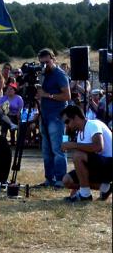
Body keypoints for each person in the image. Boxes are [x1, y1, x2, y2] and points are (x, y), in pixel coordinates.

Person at [33, 48, 72, 189]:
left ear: (54, 59)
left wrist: (47, 95)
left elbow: (67, 96)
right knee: (46, 151)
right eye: (42, 63)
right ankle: (49, 179)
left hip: (57, 117)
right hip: (45, 116)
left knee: (58, 149)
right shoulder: (43, 75)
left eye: (47, 62)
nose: (44, 65)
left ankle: (61, 179)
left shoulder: (59, 74)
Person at [59, 104, 113, 202]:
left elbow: (98, 147)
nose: (66, 125)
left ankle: (85, 196)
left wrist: (73, 145)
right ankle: (105, 188)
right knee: (67, 180)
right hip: (99, 166)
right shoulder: (80, 133)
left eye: (67, 121)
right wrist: (74, 191)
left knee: (77, 154)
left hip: (109, 164)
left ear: (76, 117)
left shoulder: (93, 124)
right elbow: (82, 165)